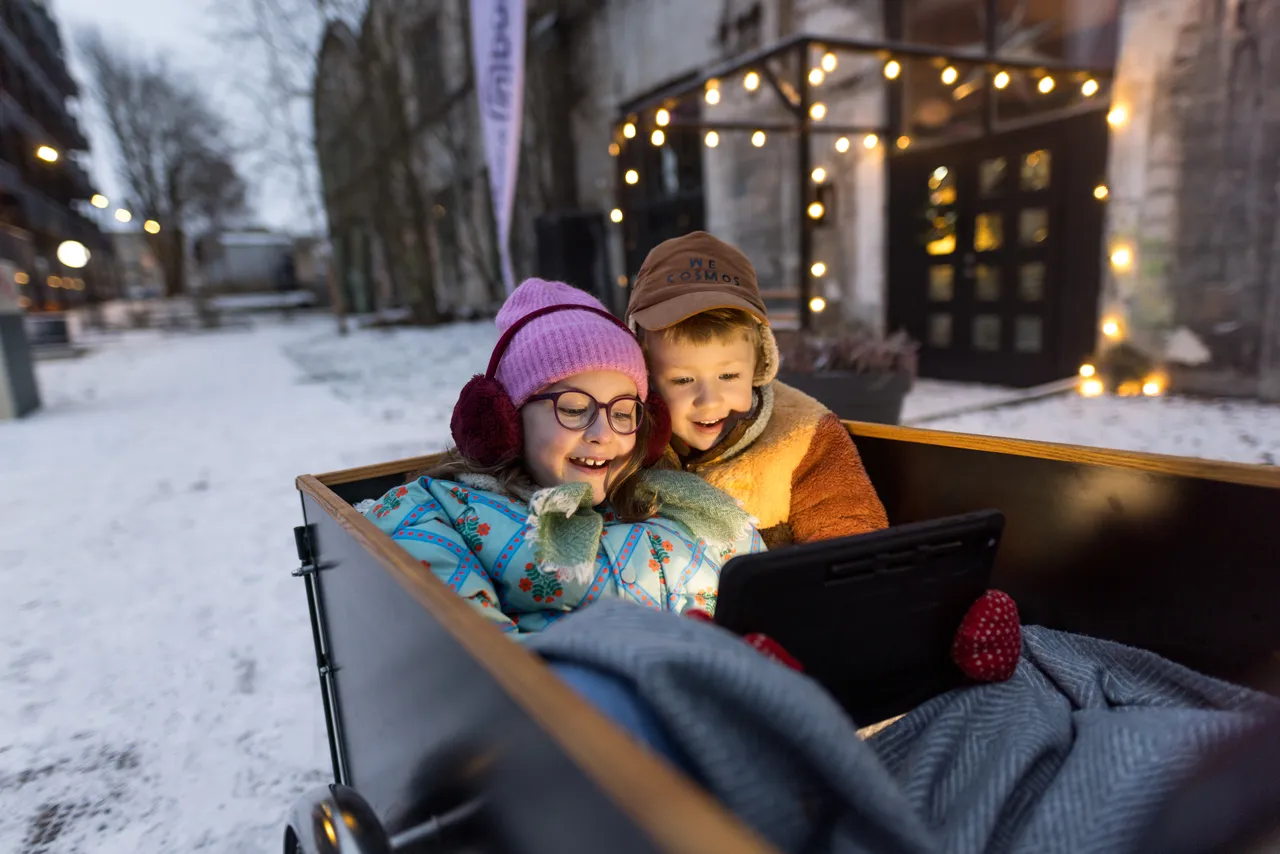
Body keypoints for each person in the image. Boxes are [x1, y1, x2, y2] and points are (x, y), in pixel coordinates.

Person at [362, 277, 761, 634]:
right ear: (508, 420)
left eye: (623, 412)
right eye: (573, 409)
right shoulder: (442, 513)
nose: (603, 434)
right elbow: (486, 668)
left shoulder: (679, 505)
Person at [625, 231, 887, 548]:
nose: (709, 402)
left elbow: (850, 543)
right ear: (645, 372)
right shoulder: (619, 433)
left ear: (761, 361)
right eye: (683, 380)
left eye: (729, 376)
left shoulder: (803, 436)